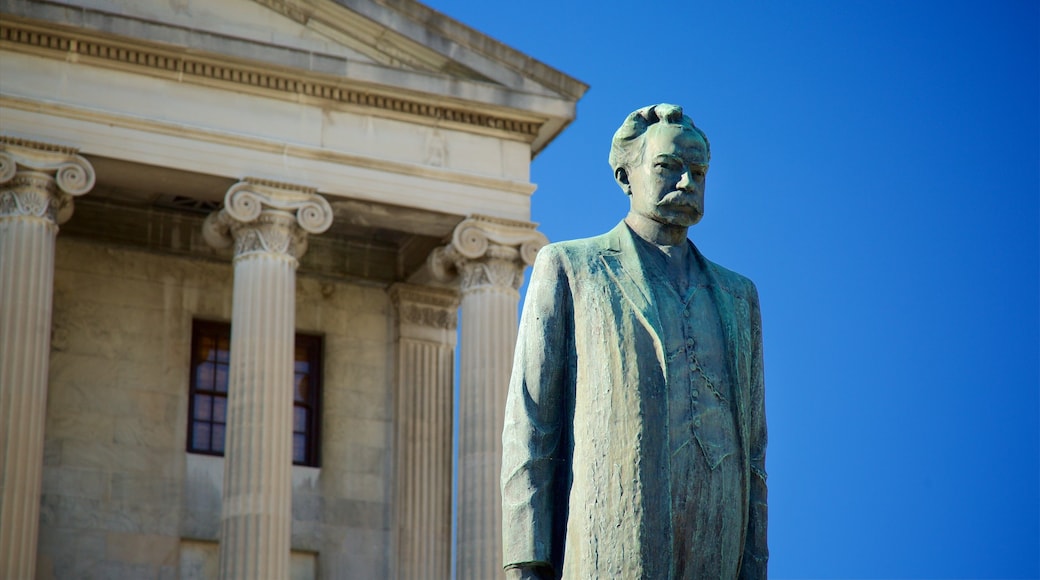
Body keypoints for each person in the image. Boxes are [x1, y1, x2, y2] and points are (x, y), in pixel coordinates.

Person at [501, 104, 768, 579]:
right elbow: (532, 426)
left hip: (716, 547)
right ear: (627, 175)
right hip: (610, 538)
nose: (687, 182)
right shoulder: (571, 267)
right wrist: (527, 560)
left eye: (699, 171)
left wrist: (754, 565)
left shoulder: (737, 296)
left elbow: (753, 458)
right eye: (669, 167)